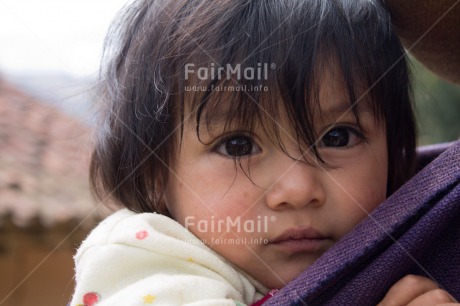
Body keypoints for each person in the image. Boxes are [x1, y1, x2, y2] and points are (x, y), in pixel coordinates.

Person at [70, 0, 458, 305]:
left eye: (338, 137)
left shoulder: (418, 238)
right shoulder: (145, 260)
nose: (298, 189)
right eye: (237, 145)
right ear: (154, 173)